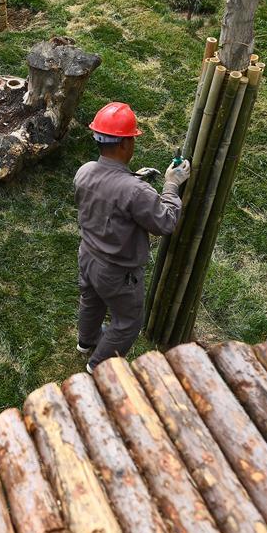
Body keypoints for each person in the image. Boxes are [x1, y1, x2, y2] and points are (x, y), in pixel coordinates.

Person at [74, 102, 190, 373]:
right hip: (117, 271)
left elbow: (108, 192)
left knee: (91, 300)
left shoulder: (85, 171)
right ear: (126, 144)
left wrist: (133, 178)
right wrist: (172, 185)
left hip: (88, 257)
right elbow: (165, 221)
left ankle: (86, 341)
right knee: (127, 322)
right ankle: (98, 367)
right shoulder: (136, 193)